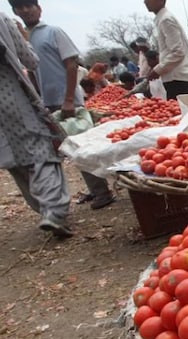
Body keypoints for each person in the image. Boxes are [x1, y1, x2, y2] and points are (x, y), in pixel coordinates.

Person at [10, 0, 115, 209]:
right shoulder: (23, 39)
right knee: (66, 148)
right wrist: (36, 97)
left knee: (80, 146)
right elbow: (31, 71)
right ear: (14, 11)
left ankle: (102, 192)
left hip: (67, 101)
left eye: (29, 5)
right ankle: (94, 190)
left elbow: (71, 64)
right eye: (19, 7)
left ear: (39, 8)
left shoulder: (53, 31)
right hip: (46, 103)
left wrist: (68, 99)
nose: (25, 10)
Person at [0, 11, 72, 237]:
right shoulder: (2, 19)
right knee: (43, 153)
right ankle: (53, 211)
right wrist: (22, 36)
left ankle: (43, 209)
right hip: (12, 100)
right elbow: (30, 60)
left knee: (13, 160)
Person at [143, 0, 188, 99]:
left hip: (179, 80)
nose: (145, 2)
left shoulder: (166, 20)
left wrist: (157, 70)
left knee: (183, 113)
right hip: (177, 79)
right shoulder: (162, 20)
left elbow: (178, 52)